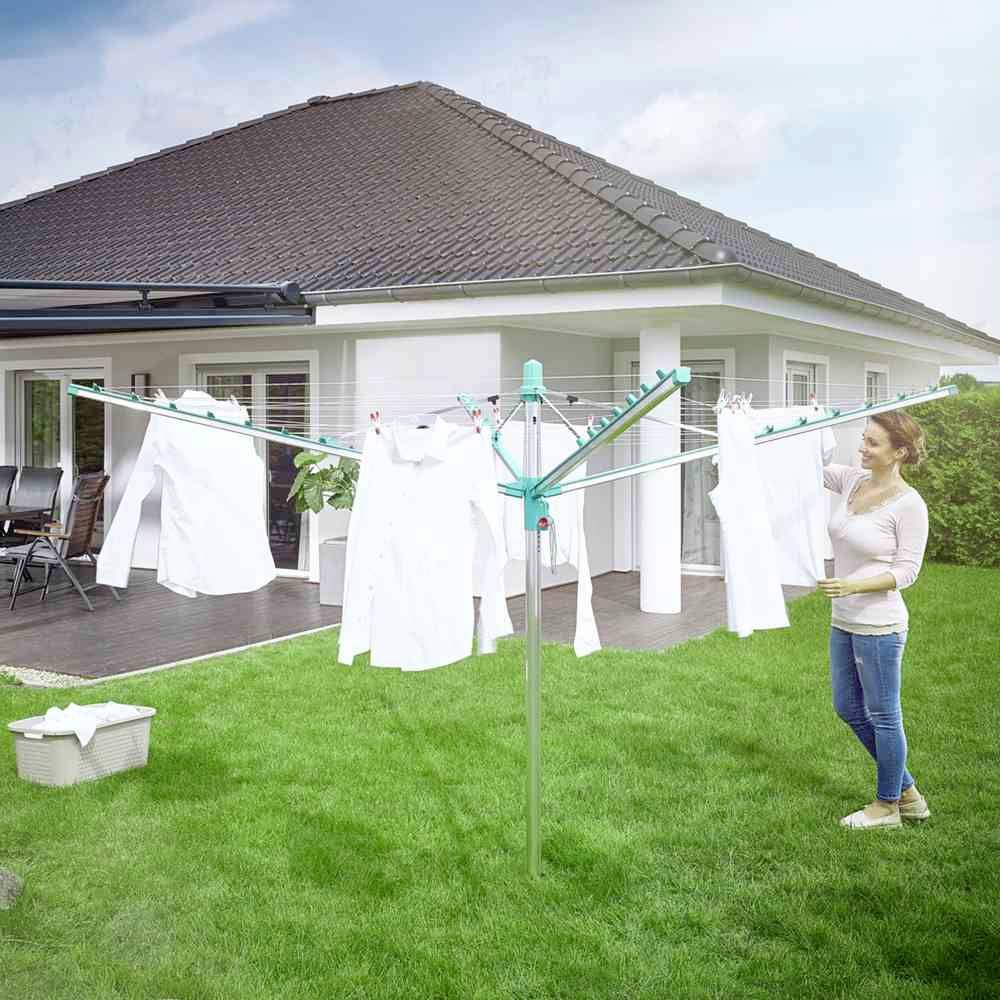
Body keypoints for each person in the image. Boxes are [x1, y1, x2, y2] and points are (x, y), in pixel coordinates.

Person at [818, 410, 931, 829]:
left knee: (884, 714)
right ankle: (908, 794)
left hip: (879, 624)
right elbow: (803, 463)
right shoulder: (851, 480)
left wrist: (852, 586)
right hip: (842, 618)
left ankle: (887, 807)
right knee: (848, 707)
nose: (862, 448)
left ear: (899, 452)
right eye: (863, 439)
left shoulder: (909, 504)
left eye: (873, 443)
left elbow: (907, 572)